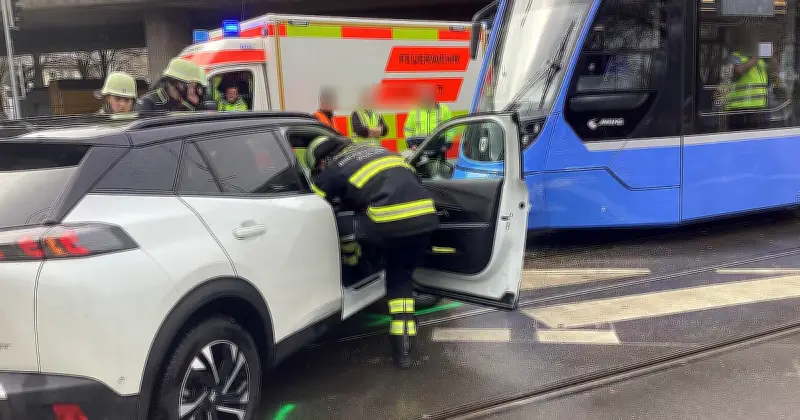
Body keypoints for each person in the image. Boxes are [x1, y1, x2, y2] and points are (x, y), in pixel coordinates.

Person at [305, 135, 439, 369]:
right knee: (400, 280)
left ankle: (354, 264)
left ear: (324, 159)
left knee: (343, 220)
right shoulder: (383, 151)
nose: (320, 169)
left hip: (388, 222)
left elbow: (312, 202)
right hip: (425, 219)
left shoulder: (337, 166)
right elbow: (411, 182)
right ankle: (403, 350)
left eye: (318, 166)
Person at [136, 58, 208, 111]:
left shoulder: (186, 105)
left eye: (195, 86)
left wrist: (197, 105)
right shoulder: (148, 103)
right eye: (189, 86)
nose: (192, 91)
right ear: (173, 83)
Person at [403, 84, 454, 152]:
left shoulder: (444, 109)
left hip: (439, 148)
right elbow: (408, 129)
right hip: (418, 149)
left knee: (438, 163)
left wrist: (447, 144)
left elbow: (451, 128)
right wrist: (411, 144)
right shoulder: (414, 110)